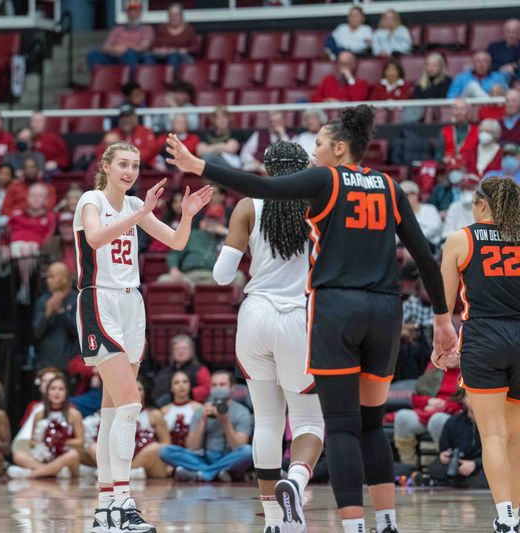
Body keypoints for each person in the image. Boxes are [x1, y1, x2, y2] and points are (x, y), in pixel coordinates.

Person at [166, 104, 458, 533]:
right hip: (365, 310)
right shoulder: (389, 187)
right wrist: (443, 317)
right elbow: (423, 256)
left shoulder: (318, 185)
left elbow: (248, 206)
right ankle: (384, 520)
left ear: (339, 148)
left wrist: (200, 166)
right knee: (358, 423)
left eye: (319, 142)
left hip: (313, 311)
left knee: (306, 423)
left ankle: (298, 521)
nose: (314, 149)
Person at [74, 142, 211, 532]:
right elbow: (97, 239)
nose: (130, 171)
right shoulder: (91, 199)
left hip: (132, 304)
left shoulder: (136, 206)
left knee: (114, 409)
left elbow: (177, 243)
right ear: (106, 165)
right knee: (132, 404)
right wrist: (142, 213)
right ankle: (123, 501)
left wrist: (185, 216)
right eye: (122, 164)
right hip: (99, 300)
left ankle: (105, 509)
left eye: (134, 165)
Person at [213, 140, 325, 532]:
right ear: (304, 167)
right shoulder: (317, 206)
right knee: (310, 419)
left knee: (267, 419)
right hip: (298, 316)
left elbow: (222, 276)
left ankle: (275, 522)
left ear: (265, 168)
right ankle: (294, 481)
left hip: (255, 315)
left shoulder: (248, 205)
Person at [435, 176, 520, 531]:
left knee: (494, 436)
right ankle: (516, 514)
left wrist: (441, 345)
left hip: (484, 337)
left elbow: (443, 305)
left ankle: (506, 517)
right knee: (515, 437)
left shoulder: (460, 239)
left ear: (483, 205)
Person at [158, 370, 253, 482]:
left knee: (248, 451)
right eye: (214, 385)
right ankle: (215, 473)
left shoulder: (241, 412)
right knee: (165, 451)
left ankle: (203, 474)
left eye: (222, 385)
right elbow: (192, 447)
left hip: (228, 457)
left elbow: (238, 446)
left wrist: (225, 422)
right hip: (203, 457)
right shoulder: (201, 410)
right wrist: (202, 421)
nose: (218, 388)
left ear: (232, 387)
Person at [9, 375, 84, 479]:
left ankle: (31, 474)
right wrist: (45, 443)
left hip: (64, 455)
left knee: (73, 455)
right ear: (47, 392)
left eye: (61, 389)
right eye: (53, 389)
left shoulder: (74, 414)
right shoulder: (39, 414)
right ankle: (55, 471)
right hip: (44, 455)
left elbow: (81, 441)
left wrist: (60, 441)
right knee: (18, 455)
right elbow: (32, 441)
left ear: (66, 392)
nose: (57, 392)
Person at [391, 362, 462, 468]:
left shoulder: (468, 370)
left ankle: (446, 463)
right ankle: (409, 466)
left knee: (437, 419)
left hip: (454, 415)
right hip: (428, 411)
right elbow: (415, 398)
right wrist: (429, 401)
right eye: (447, 349)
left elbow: (467, 402)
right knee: (402, 417)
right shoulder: (434, 368)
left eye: (454, 348)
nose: (450, 352)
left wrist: (444, 406)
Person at [158, 206, 243, 289]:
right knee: (163, 280)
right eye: (210, 218)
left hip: (213, 279)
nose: (212, 222)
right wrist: (174, 269)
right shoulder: (193, 234)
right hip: (188, 278)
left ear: (223, 221)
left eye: (216, 219)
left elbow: (242, 246)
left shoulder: (226, 239)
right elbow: (174, 254)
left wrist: (225, 232)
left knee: (239, 276)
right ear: (205, 220)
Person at [7, 183, 57, 304]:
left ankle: (24, 288)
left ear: (45, 200)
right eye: (33, 195)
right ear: (27, 197)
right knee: (24, 248)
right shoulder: (16, 214)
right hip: (14, 248)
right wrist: (4, 247)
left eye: (40, 196)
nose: (36, 198)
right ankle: (26, 288)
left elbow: (48, 237)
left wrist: (40, 247)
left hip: (36, 251)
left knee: (28, 249)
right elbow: (5, 234)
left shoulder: (50, 217)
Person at [425, 398, 488, 489]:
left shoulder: (492, 424)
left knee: (486, 478)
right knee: (434, 468)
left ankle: (443, 481)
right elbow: (444, 447)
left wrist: (474, 464)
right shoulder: (454, 421)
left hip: (480, 464)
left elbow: (497, 453)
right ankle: (457, 481)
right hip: (458, 463)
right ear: (464, 400)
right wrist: (444, 455)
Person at [33, 262, 79, 372]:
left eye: (52, 277)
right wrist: (47, 313)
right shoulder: (43, 300)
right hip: (45, 363)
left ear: (64, 279)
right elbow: (36, 333)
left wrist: (61, 311)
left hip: (71, 364)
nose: (48, 280)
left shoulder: (77, 299)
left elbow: (78, 331)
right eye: (48, 277)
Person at [87, 1, 153, 71]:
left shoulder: (146, 29)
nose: (132, 13)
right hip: (114, 55)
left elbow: (144, 46)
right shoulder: (117, 29)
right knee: (93, 54)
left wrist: (125, 49)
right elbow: (105, 46)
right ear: (127, 13)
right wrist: (115, 49)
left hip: (133, 56)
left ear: (140, 13)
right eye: (130, 11)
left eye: (135, 11)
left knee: (129, 54)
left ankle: (130, 81)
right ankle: (100, 80)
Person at [152, 335, 211, 405]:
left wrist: (181, 395)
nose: (180, 351)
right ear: (172, 352)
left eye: (184, 348)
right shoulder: (164, 371)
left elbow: (205, 389)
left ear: (191, 351)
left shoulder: (200, 370)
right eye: (177, 349)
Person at [148, 2, 199, 69]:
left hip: (180, 56)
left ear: (181, 16)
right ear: (168, 16)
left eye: (176, 15)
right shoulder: (161, 28)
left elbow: (196, 47)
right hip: (163, 56)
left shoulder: (189, 30)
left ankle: (172, 78)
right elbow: (153, 46)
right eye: (171, 15)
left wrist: (184, 50)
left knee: (173, 57)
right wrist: (158, 49)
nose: (174, 17)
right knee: (148, 57)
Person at [160, 371, 202, 447]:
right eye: (176, 382)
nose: (181, 385)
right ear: (171, 388)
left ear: (190, 385)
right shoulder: (163, 411)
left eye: (185, 382)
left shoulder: (199, 408)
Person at [436, 99, 478, 169]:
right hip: (448, 169)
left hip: (470, 168)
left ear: (468, 111)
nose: (459, 112)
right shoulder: (445, 131)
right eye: (456, 108)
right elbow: (438, 155)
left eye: (462, 109)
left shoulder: (477, 130)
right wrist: (443, 159)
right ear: (452, 111)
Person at [400, 180, 442, 248]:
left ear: (417, 195)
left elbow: (435, 228)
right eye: (406, 195)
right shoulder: (400, 214)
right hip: (406, 245)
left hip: (430, 245)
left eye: (413, 193)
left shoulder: (430, 209)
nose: (410, 197)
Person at [441, 173, 479, 240]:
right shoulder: (455, 206)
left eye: (469, 188)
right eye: (462, 189)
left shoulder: (485, 208)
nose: (465, 191)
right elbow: (446, 233)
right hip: (459, 244)